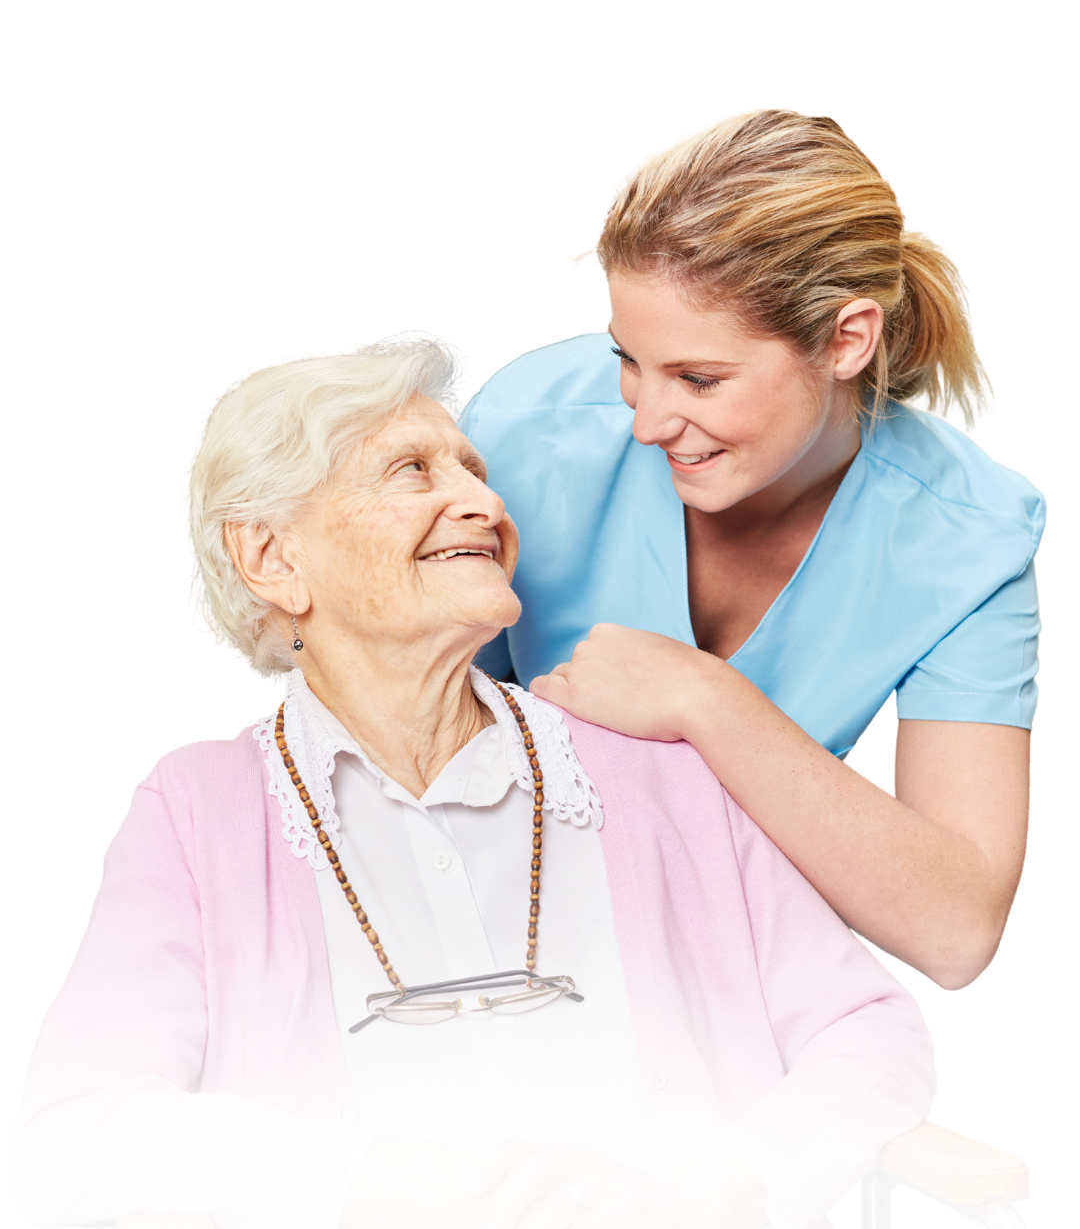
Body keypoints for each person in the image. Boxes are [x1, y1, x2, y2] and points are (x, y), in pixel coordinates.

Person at [13, 337, 934, 1229]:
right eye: (413, 472)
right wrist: (366, 1183)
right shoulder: (199, 811)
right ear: (274, 560)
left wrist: (725, 1188)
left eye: (474, 469)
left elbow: (867, 1034)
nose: (483, 502)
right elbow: (83, 1119)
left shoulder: (656, 771)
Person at [459, 106, 1044, 992]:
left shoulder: (974, 538)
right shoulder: (522, 430)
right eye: (626, 358)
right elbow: (401, 725)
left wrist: (705, 699)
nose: (648, 422)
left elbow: (956, 927)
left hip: (731, 971)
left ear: (847, 339)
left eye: (700, 379)